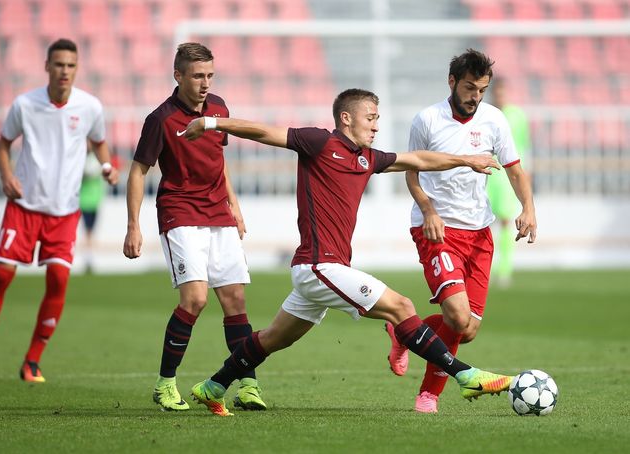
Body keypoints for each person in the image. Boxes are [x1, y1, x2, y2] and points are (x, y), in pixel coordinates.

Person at [182, 88, 513, 417]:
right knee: (401, 306)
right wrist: (212, 124)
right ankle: (466, 376)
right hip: (318, 266)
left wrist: (466, 160)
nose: (376, 126)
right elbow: (263, 131)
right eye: (370, 118)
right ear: (346, 118)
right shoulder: (319, 143)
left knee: (273, 338)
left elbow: (419, 159)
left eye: (377, 120)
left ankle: (213, 387)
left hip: (323, 271)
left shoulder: (368, 158)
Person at [384, 49, 536, 414]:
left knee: (467, 329)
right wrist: (428, 209)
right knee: (456, 317)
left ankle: (403, 331)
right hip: (437, 230)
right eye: (470, 88)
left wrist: (528, 208)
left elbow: (515, 170)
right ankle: (429, 395)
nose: (475, 97)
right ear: (452, 82)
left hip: (479, 232)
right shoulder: (427, 120)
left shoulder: (495, 121)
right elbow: (411, 172)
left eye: (482, 90)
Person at [0, 38, 119, 383]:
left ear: (77, 69)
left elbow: (99, 141)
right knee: (2, 274)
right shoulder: (25, 105)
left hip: (64, 212)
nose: (65, 71)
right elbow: (3, 145)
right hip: (24, 207)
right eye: (59, 64)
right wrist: (6, 176)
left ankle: (32, 361)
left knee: (58, 279)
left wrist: (106, 166)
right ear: (47, 66)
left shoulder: (90, 106)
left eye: (71, 65)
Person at [122, 42, 267, 412]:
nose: (205, 83)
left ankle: (247, 385)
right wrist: (133, 226)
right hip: (180, 212)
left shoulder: (219, 109)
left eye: (210, 75)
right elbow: (138, 170)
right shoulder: (161, 119)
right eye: (198, 76)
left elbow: (219, 159)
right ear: (179, 76)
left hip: (218, 213)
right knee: (196, 299)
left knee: (235, 301)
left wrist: (234, 204)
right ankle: (165, 383)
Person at [486, 77, 532, 288]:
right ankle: (485, 267)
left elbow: (523, 146)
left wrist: (525, 173)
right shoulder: (484, 113)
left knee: (505, 220)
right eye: (498, 92)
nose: (500, 96)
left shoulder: (517, 116)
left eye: (504, 92)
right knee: (482, 222)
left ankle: (504, 269)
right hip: (486, 172)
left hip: (507, 175)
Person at [79, 151, 105, 274]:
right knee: (87, 232)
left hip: (94, 201)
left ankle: (89, 258)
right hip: (84, 201)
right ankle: (88, 258)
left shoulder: (96, 160)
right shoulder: (84, 159)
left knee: (90, 232)